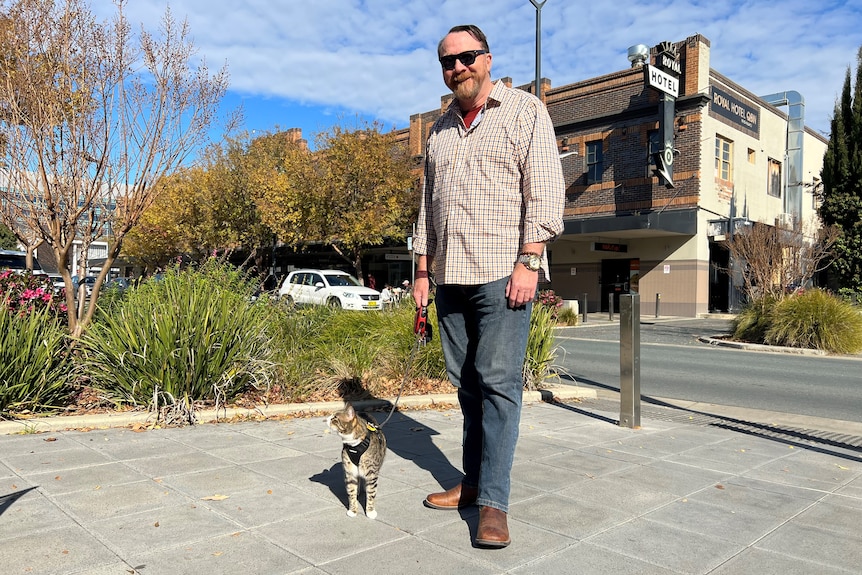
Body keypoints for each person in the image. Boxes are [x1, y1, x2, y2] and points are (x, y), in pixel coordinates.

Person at [412, 24, 564, 549]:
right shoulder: (439, 130)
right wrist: (422, 272)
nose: (458, 68)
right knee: (467, 386)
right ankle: (473, 483)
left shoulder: (525, 112)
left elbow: (543, 191)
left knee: (499, 387)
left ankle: (494, 502)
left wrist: (530, 259)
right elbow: (427, 209)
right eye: (447, 61)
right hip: (450, 276)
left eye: (466, 57)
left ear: (488, 59)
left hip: (504, 272)